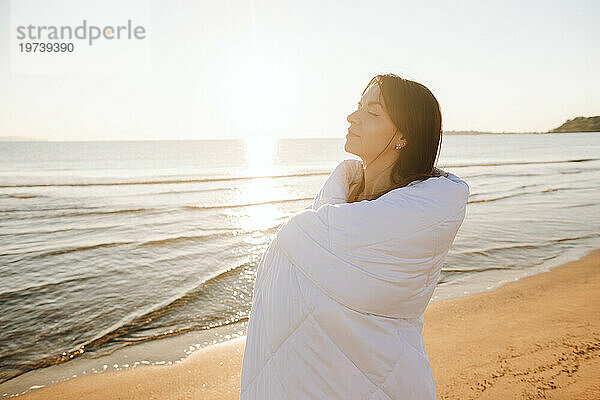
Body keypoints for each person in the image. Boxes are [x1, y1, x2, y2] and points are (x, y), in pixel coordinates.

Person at [240, 73, 470, 399]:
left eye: (372, 113)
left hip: (384, 379)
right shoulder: (335, 202)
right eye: (358, 107)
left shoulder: (416, 219)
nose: (353, 117)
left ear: (403, 136)